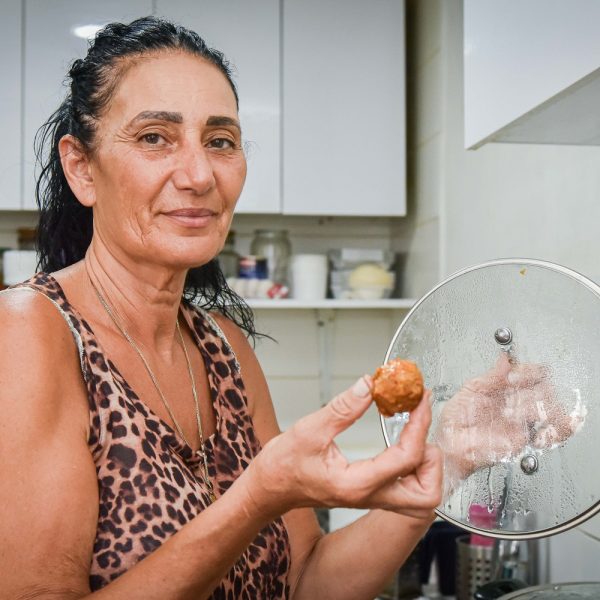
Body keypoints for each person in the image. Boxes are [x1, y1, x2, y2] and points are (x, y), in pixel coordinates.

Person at [0, 16, 443, 600]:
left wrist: (432, 483)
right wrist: (258, 497)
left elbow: (306, 581)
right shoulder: (29, 332)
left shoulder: (224, 348)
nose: (200, 175)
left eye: (220, 141)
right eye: (154, 137)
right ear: (82, 167)